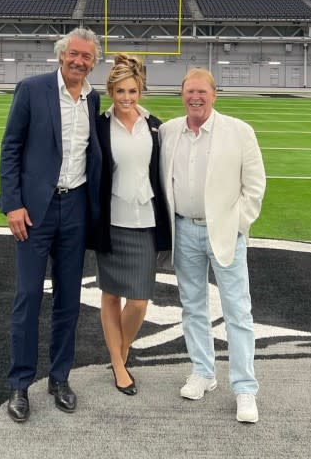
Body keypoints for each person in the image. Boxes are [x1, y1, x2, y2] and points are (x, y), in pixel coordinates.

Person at [0, 28, 102, 423]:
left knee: (68, 300)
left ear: (94, 61)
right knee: (27, 297)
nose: (79, 61)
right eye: (74, 54)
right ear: (61, 55)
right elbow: (10, 148)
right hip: (35, 211)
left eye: (86, 57)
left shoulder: (93, 97)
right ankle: (20, 383)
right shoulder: (33, 89)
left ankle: (59, 378)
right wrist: (13, 204)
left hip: (74, 207)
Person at [159, 68, 265, 424]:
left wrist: (238, 225)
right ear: (182, 94)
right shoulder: (170, 131)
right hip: (184, 230)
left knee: (237, 311)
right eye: (190, 91)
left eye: (202, 91)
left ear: (214, 94)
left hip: (224, 232)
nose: (196, 97)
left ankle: (245, 387)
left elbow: (255, 186)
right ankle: (203, 372)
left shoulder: (239, 131)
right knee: (192, 307)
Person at [95, 54, 171, 395]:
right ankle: (118, 364)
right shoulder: (99, 125)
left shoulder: (155, 125)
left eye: (133, 91)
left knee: (139, 302)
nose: (126, 98)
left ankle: (120, 353)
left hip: (145, 220)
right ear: (111, 89)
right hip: (110, 221)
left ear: (141, 91)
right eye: (120, 91)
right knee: (111, 295)